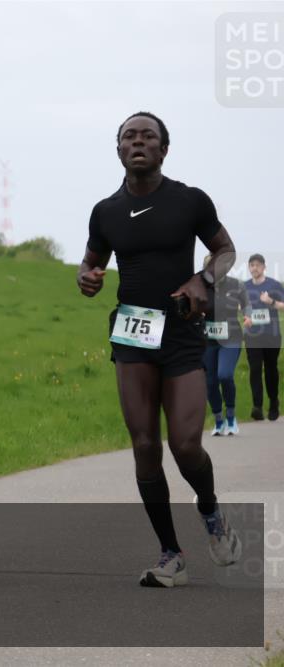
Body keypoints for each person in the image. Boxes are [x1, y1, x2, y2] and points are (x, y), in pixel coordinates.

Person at [76, 112, 241, 588]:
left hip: (182, 333)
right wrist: (87, 277)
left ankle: (210, 511)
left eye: (148, 136)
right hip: (133, 334)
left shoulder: (189, 200)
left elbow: (225, 250)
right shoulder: (106, 211)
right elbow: (90, 262)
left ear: (164, 149)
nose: (138, 142)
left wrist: (203, 278)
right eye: (129, 136)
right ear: (119, 149)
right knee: (145, 445)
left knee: (185, 445)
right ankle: (171, 554)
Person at [201, 255, 252, 435]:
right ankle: (218, 420)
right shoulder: (200, 285)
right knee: (210, 382)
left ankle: (231, 416)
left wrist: (248, 316)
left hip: (231, 337)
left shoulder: (236, 285)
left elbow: (246, 304)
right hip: (208, 340)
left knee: (224, 375)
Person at [242, 253, 283, 421]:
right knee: (255, 369)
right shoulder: (244, 286)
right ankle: (257, 406)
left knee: (271, 369)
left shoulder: (273, 284)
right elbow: (240, 307)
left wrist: (271, 301)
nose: (255, 268)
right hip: (252, 335)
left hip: (271, 334)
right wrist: (246, 317)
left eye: (258, 265)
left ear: (264, 267)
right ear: (249, 268)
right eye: (252, 265)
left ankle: (273, 403)